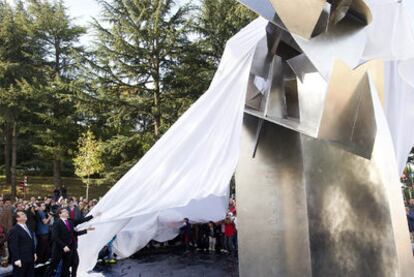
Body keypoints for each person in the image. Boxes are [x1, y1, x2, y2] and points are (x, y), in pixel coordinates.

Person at [48, 207, 99, 277]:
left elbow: (75, 231)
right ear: (60, 214)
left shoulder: (70, 221)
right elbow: (54, 237)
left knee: (69, 266)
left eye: (67, 211)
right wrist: (63, 246)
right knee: (53, 266)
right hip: (59, 249)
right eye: (64, 211)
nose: (67, 212)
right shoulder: (57, 223)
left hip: (69, 248)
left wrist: (87, 229)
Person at [8, 211, 36, 277]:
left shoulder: (28, 226)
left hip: (30, 257)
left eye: (24, 213)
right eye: (22, 214)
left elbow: (31, 241)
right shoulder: (14, 229)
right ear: (17, 218)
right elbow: (13, 246)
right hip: (21, 259)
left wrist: (34, 252)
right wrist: (17, 259)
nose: (25, 215)